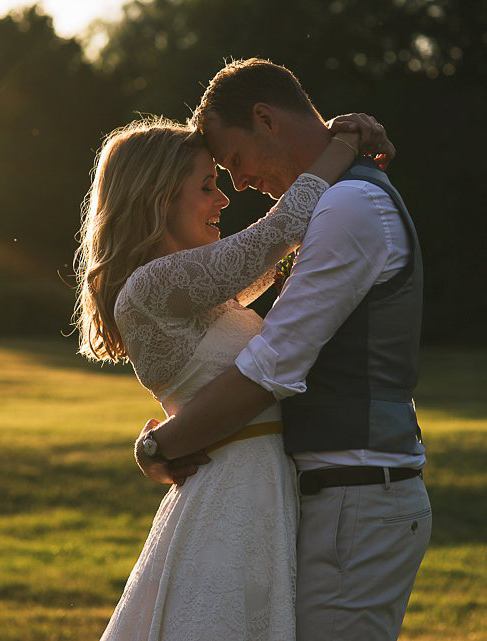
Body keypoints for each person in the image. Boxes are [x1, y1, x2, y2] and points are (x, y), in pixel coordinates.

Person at [134, 58, 431, 641]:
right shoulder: (338, 202)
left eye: (234, 163)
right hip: (333, 497)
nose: (237, 185)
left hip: (358, 495)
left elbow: (272, 367)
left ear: (265, 119)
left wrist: (160, 445)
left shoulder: (350, 207)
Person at [75, 109, 392, 639]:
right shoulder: (151, 286)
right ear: (158, 196)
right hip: (233, 494)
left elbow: (285, 245)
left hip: (260, 487)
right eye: (207, 186)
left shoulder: (197, 289)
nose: (223, 200)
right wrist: (343, 143)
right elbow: (282, 230)